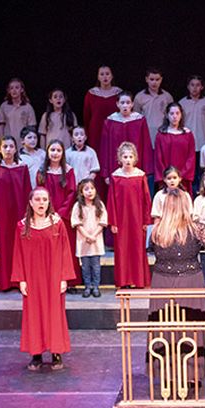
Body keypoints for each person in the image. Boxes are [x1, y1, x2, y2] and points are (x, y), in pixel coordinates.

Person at [148, 188, 205, 381]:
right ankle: (192, 373)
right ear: (186, 206)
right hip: (190, 282)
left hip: (162, 282)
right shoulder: (196, 229)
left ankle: (166, 373)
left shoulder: (156, 231)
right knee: (190, 326)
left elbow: (150, 249)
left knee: (165, 326)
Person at [11, 187, 77, 372]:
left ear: (49, 202)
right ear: (31, 203)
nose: (41, 203)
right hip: (32, 277)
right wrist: (21, 279)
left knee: (54, 313)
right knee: (34, 314)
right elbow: (18, 253)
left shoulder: (57, 223)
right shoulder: (22, 226)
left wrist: (64, 277)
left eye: (44, 199)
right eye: (38, 199)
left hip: (53, 275)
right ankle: (36, 354)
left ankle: (56, 353)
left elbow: (65, 251)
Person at [0, 136, 32, 291]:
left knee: (21, 248)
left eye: (11, 146)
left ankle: (21, 282)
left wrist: (29, 216)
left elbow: (28, 192)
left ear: (16, 149)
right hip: (2, 216)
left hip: (20, 214)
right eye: (5, 146)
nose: (8, 150)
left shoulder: (22, 168)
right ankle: (5, 283)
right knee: (4, 248)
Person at [107, 142, 152, 288]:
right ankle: (123, 280)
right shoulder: (115, 177)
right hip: (121, 219)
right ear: (120, 158)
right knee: (122, 249)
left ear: (135, 158)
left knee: (137, 248)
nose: (127, 160)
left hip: (137, 218)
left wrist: (146, 220)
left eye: (130, 157)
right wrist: (113, 222)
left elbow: (146, 199)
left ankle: (138, 280)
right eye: (125, 157)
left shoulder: (140, 176)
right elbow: (111, 201)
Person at [36, 139, 79, 291]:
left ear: (63, 153)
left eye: (58, 150)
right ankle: (51, 280)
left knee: (67, 249)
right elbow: (39, 194)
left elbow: (72, 193)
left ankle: (70, 281)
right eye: (52, 150)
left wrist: (61, 213)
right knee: (49, 249)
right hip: (46, 216)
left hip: (64, 217)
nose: (55, 153)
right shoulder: (41, 172)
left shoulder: (69, 171)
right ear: (47, 152)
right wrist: (48, 213)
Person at [99, 91, 154, 183]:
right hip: (114, 166)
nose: (125, 105)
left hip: (136, 166)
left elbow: (146, 145)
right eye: (122, 103)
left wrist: (147, 170)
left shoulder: (140, 120)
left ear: (132, 104)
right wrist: (106, 173)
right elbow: (105, 148)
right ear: (117, 104)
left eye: (128, 103)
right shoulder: (110, 121)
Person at [71, 178, 108, 298]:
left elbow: (103, 222)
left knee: (96, 266)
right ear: (81, 192)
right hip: (83, 241)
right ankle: (88, 286)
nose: (90, 191)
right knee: (85, 266)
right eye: (86, 189)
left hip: (95, 241)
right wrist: (87, 236)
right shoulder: (78, 206)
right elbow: (77, 223)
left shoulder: (99, 205)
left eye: (92, 188)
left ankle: (96, 287)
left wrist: (93, 235)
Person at [180, 75, 205, 186]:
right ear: (188, 86)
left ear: (202, 87)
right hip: (187, 143)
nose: (195, 88)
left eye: (198, 85)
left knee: (203, 171)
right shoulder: (182, 103)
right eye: (192, 85)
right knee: (190, 171)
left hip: (203, 142)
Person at [154, 102, 196, 194]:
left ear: (181, 115)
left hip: (183, 179)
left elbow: (191, 157)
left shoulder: (188, 134)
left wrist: (180, 176)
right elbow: (158, 158)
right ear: (167, 115)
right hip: (166, 180)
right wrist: (168, 176)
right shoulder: (161, 135)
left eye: (177, 113)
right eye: (172, 113)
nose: (174, 116)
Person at [83, 65, 122, 159]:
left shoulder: (119, 93)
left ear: (112, 76)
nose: (105, 77)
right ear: (98, 77)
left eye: (107, 74)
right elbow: (86, 115)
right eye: (102, 74)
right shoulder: (91, 93)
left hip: (114, 130)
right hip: (96, 131)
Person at [134, 67, 174, 146]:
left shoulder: (167, 96)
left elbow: (171, 116)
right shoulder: (139, 97)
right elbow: (136, 116)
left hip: (163, 132)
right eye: (151, 79)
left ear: (161, 80)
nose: (154, 82)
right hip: (146, 132)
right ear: (146, 79)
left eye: (157, 79)